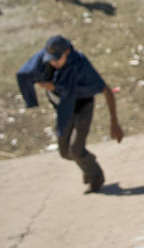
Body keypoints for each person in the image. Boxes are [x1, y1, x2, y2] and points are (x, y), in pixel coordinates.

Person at [16, 35, 123, 193]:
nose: (53, 63)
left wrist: (114, 123)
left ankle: (96, 177)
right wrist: (31, 99)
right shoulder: (43, 60)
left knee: (76, 149)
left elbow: (106, 90)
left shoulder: (80, 64)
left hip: (82, 106)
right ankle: (88, 161)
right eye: (51, 59)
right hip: (63, 108)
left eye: (57, 59)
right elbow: (23, 74)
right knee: (65, 152)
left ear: (67, 52)